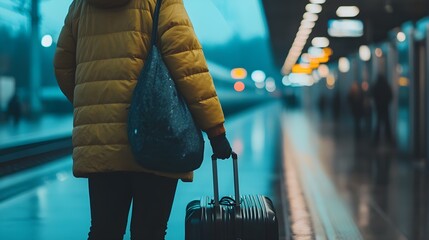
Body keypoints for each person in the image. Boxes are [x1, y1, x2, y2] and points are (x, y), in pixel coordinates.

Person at [53, 0, 232, 239]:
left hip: (100, 141)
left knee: (104, 230)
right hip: (157, 138)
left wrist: (96, 107)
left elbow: (63, 66)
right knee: (150, 232)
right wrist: (215, 130)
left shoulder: (81, 5)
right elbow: (188, 64)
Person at [372, 73, 393, 144]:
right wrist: (386, 102)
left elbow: (373, 95)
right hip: (385, 107)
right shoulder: (386, 86)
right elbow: (390, 96)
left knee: (378, 123)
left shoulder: (376, 86)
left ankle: (376, 139)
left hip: (379, 107)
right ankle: (388, 138)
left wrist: (377, 103)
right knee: (387, 123)